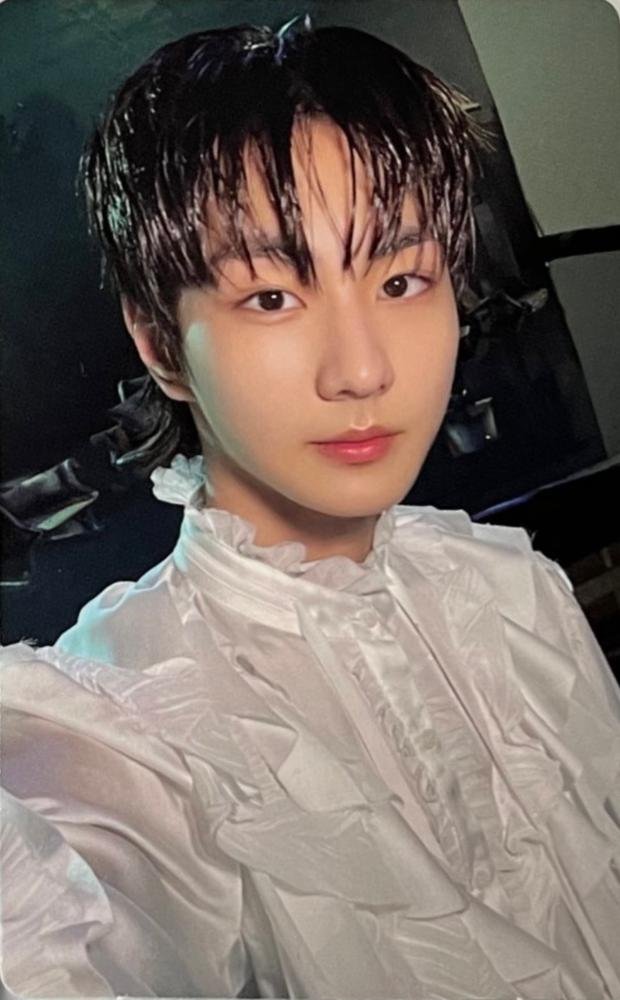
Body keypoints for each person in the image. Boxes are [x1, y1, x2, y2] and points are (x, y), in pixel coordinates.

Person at [2, 15, 620, 1000]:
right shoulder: (125, 713)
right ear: (161, 344)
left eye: (401, 280)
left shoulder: (512, 587)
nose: (362, 369)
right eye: (271, 298)